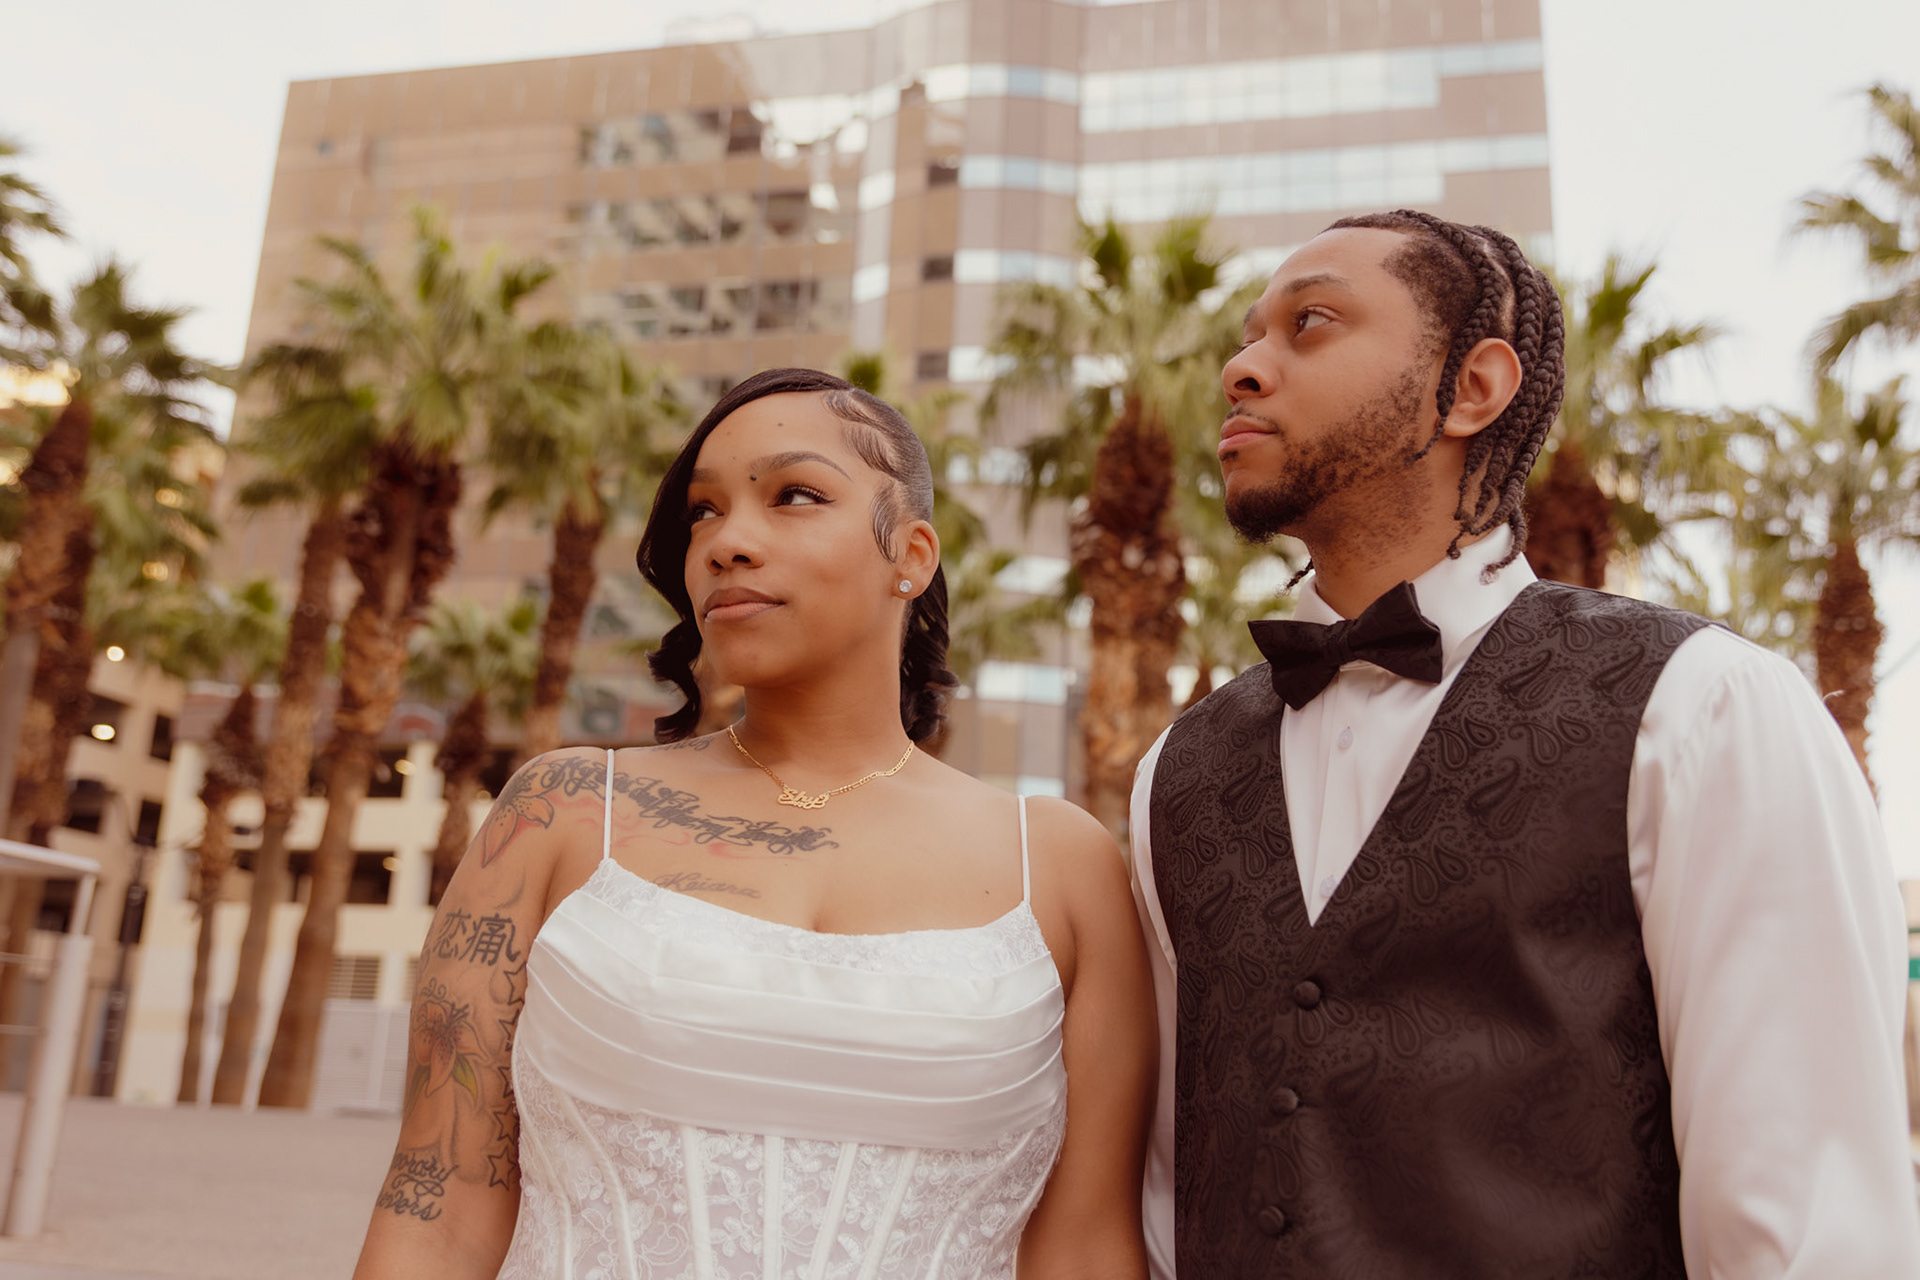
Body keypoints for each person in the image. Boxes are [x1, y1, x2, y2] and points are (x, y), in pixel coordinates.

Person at [1128, 209, 1920, 1277]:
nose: (1242, 368)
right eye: (1247, 335)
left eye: (1308, 323)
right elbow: (1173, 1200)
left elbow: (1810, 1234)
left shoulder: (1703, 707)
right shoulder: (1176, 773)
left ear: (1473, 387)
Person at [352, 368, 1157, 1280]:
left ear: (912, 555)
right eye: (703, 512)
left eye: (795, 495)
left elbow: (1086, 1247)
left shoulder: (1059, 865)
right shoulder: (559, 814)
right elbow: (435, 1214)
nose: (727, 543)